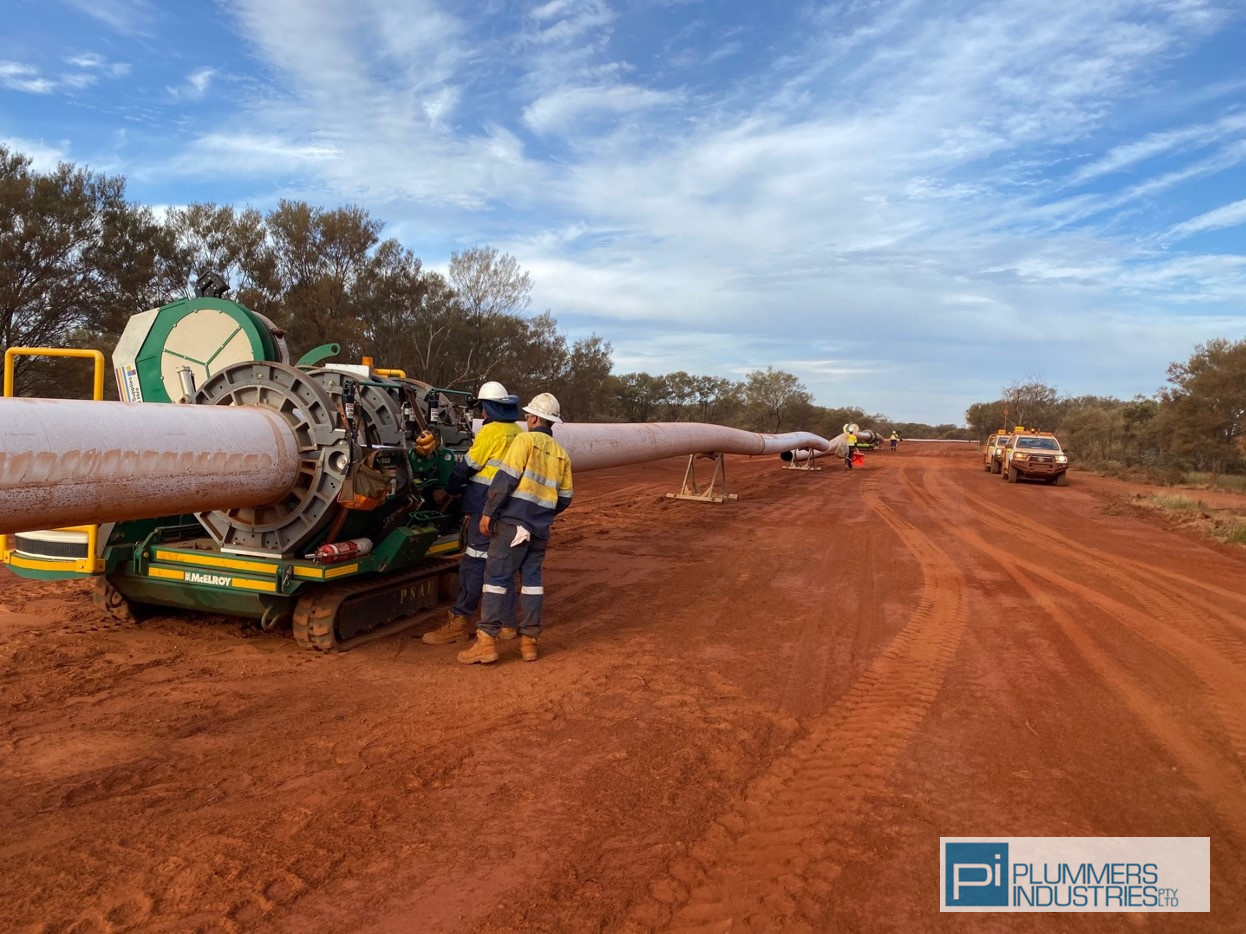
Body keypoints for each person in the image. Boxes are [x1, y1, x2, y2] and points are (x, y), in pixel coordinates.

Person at [458, 392, 573, 665]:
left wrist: (488, 513)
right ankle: (529, 643)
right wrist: (543, 514)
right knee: (532, 582)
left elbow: (505, 480)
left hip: (512, 525)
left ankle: (485, 642)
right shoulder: (561, 453)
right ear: (552, 422)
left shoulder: (525, 440)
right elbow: (566, 497)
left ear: (533, 417)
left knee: (496, 578)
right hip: (540, 529)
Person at [421, 381, 523, 646]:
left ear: (487, 408)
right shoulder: (517, 432)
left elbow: (468, 465)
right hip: (510, 508)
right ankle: (508, 626)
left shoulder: (491, 433)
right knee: (503, 566)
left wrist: (448, 489)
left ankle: (460, 621)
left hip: (484, 507)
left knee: (474, 564)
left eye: (481, 408)